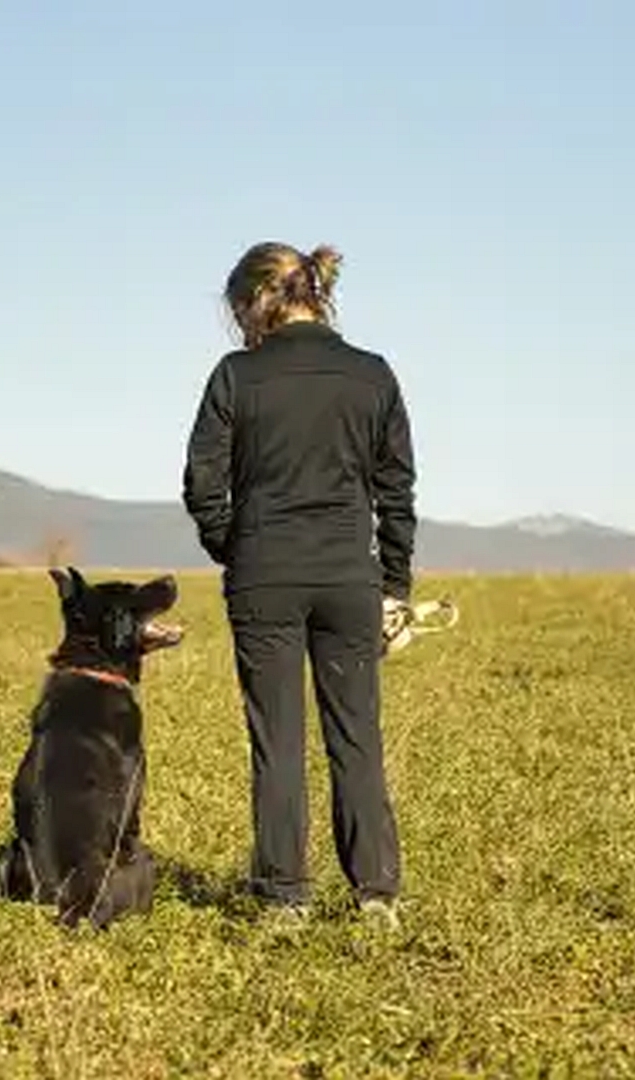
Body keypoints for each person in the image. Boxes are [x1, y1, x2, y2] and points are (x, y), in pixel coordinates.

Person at [182, 241, 417, 928]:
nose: (239, 328)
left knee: (276, 741)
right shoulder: (373, 376)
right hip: (351, 577)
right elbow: (396, 491)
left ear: (259, 301)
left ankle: (285, 897)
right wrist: (395, 584)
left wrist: (240, 548)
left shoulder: (235, 376)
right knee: (357, 737)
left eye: (238, 313)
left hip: (263, 578)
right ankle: (376, 896)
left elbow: (203, 486)